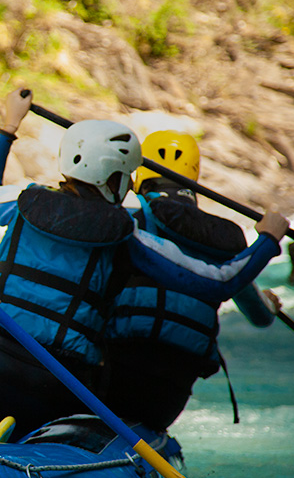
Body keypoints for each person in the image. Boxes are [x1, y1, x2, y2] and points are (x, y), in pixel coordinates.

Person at [0, 89, 289, 442]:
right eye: (126, 176)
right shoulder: (126, 236)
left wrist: (9, 126)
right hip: (59, 382)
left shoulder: (23, 201)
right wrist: (268, 241)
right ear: (115, 180)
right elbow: (220, 282)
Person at [102, 130, 278, 431]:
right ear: (194, 177)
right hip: (172, 389)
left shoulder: (123, 222)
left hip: (113, 368)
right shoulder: (217, 238)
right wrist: (268, 305)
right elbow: (259, 317)